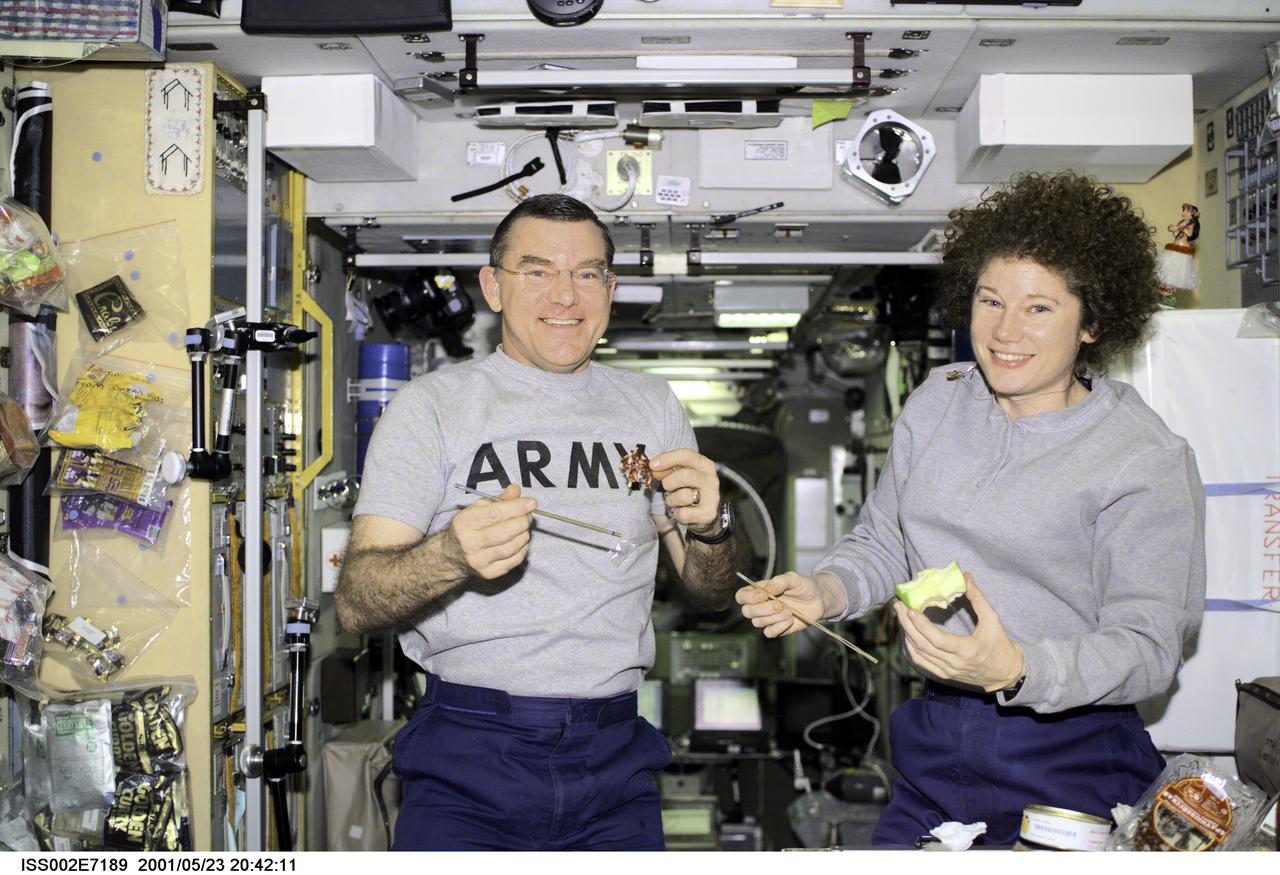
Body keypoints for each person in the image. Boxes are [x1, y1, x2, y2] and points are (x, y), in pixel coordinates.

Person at [735, 171, 1206, 846]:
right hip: (936, 745)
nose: (1005, 331)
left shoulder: (1142, 458)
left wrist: (1016, 668)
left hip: (1070, 752)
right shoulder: (938, 399)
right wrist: (825, 589)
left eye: (1039, 308)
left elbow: (1148, 648)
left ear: (1094, 320)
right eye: (990, 300)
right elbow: (885, 541)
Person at [336, 193, 748, 851]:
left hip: (615, 757)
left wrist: (714, 524)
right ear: (493, 287)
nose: (566, 294)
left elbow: (711, 591)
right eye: (538, 270)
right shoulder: (429, 409)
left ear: (610, 289)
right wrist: (450, 555)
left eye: (587, 273)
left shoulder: (652, 406)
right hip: (467, 754)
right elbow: (356, 600)